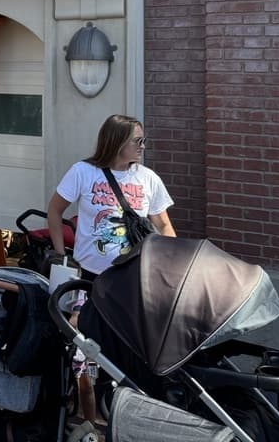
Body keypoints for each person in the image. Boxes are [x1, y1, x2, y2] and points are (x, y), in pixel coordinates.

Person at [46, 113, 176, 424]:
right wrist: (62, 256)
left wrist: (170, 263)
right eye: (137, 141)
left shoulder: (147, 178)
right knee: (85, 351)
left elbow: (164, 225)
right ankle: (90, 422)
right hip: (90, 280)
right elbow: (55, 210)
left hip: (132, 282)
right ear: (116, 142)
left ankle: (123, 415)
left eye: (143, 140)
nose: (143, 146)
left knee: (128, 351)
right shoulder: (83, 172)